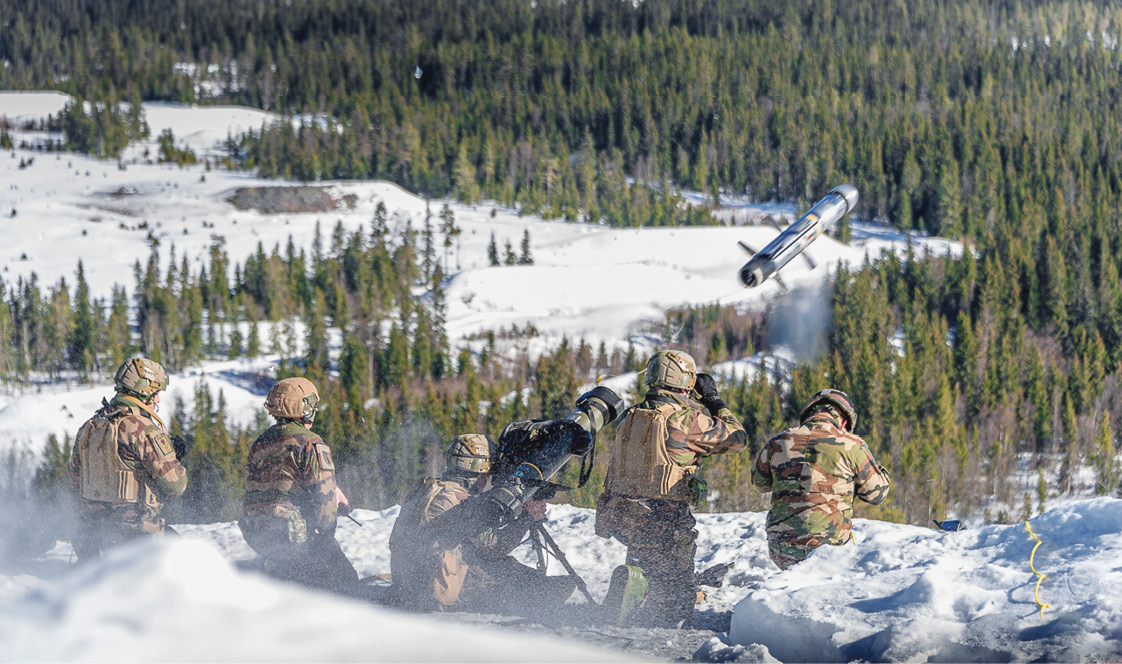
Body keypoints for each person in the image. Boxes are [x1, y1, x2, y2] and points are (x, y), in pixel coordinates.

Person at [594, 349, 746, 626]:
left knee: (647, 560)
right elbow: (737, 437)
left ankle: (635, 582)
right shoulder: (684, 419)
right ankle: (639, 599)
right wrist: (712, 398)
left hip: (623, 515)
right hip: (665, 519)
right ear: (685, 381)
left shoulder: (630, 416)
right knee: (676, 604)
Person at [388, 433, 575, 615]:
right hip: (434, 591)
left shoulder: (429, 488)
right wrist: (528, 517)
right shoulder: (459, 502)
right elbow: (495, 548)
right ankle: (543, 599)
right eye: (490, 471)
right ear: (480, 472)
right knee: (505, 568)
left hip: (407, 584)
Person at [239, 377, 358, 592]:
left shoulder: (261, 443)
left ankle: (279, 571)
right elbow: (325, 506)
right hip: (292, 535)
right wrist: (325, 542)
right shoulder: (310, 443)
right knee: (346, 583)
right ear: (304, 408)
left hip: (257, 534)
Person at [751, 389, 891, 570]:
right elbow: (876, 495)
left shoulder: (778, 441)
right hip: (828, 548)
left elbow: (759, 485)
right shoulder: (852, 445)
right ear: (845, 421)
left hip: (782, 548)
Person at [69, 357, 188, 560]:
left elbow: (74, 482)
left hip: (90, 542)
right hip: (136, 540)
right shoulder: (141, 428)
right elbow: (176, 485)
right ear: (143, 391)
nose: (157, 400)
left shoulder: (89, 427)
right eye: (155, 394)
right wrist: (172, 457)